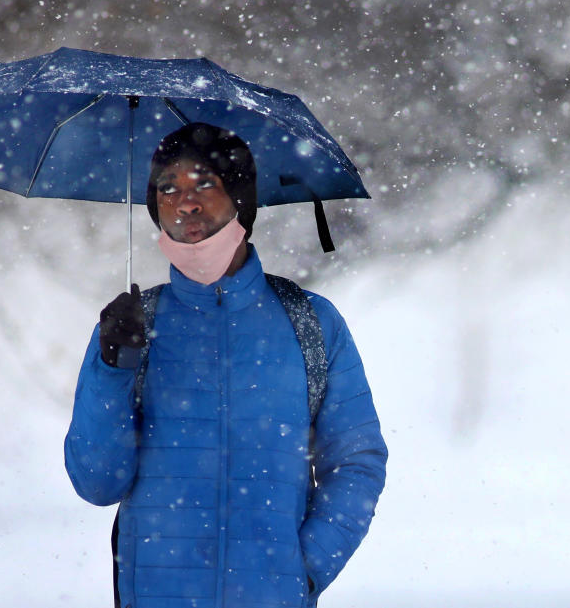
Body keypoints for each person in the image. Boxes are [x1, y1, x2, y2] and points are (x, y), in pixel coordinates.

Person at [64, 122, 388, 608]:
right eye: (167, 188)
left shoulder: (312, 323)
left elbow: (356, 462)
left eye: (204, 184)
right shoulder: (130, 326)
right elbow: (96, 481)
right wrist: (112, 368)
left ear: (241, 197)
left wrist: (302, 570)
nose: (184, 203)